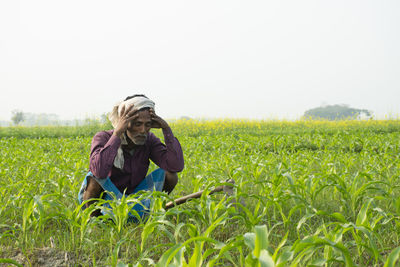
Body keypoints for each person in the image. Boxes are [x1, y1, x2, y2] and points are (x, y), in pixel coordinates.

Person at [78, 94, 184, 218]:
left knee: (170, 175)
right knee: (94, 178)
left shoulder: (149, 140)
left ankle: (150, 211)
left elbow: (175, 165)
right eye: (137, 124)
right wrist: (117, 133)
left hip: (135, 196)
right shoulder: (103, 137)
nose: (143, 130)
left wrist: (166, 128)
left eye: (148, 124)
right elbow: (99, 171)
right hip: (108, 197)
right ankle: (95, 221)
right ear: (124, 123)